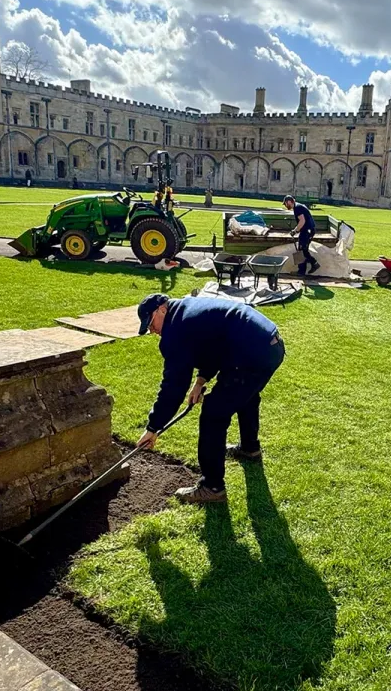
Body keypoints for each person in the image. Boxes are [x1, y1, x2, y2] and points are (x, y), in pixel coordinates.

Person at [136, 293, 285, 503]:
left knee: (213, 413)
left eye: (151, 324)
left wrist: (153, 427)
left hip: (251, 354)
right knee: (246, 395)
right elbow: (215, 345)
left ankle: (211, 487)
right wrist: (200, 381)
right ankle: (249, 448)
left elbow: (173, 387)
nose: (152, 331)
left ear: (162, 309)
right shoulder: (187, 312)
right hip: (271, 345)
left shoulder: (176, 330)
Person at [283, 195, 319, 276]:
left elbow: (302, 221)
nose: (285, 206)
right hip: (308, 230)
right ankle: (306, 269)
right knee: (303, 250)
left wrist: (295, 231)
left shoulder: (298, 208)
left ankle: (308, 267)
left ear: (289, 201)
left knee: (301, 250)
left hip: (307, 231)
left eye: (285, 204)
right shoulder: (298, 206)